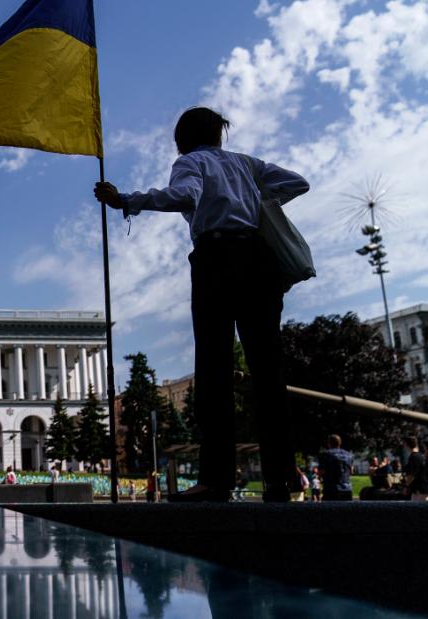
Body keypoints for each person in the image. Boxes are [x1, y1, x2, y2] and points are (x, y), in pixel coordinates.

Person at [94, 107, 309, 503]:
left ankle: (217, 480)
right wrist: (254, 197)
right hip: (259, 261)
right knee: (268, 370)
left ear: (182, 138)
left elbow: (185, 195)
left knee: (214, 369)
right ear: (218, 134)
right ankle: (284, 479)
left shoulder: (190, 162)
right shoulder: (247, 164)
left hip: (216, 261)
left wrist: (126, 199)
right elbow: (298, 183)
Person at [317, 434, 353, 501]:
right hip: (347, 489)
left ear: (329, 443)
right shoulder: (349, 455)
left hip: (331, 489)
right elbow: (351, 471)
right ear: (340, 443)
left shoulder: (325, 455)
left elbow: (321, 472)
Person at [402, 436, 428, 501]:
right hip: (426, 489)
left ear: (406, 445)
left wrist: (406, 486)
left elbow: (411, 475)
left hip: (418, 491)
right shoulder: (422, 456)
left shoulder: (413, 457)